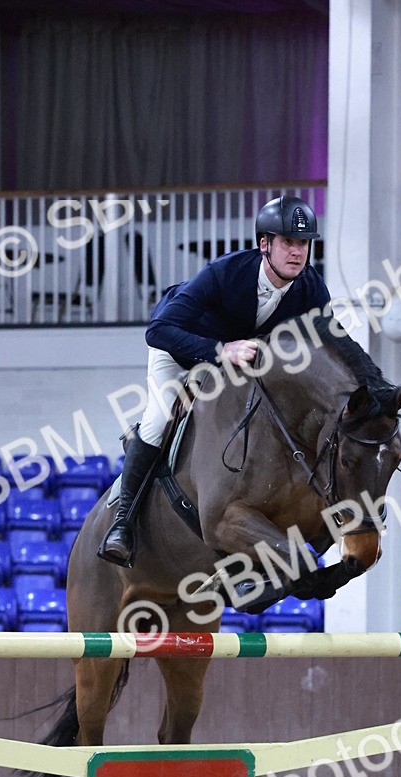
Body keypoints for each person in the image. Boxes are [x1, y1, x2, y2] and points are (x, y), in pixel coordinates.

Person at [98, 195, 331, 567]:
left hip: (237, 369)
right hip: (181, 350)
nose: (297, 252)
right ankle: (123, 524)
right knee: (159, 419)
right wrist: (222, 351)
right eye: (288, 242)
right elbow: (158, 331)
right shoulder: (225, 272)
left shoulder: (312, 290)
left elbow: (323, 351)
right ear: (264, 244)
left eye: (303, 243)